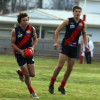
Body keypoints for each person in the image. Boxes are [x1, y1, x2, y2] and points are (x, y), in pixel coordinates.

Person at [49, 6, 89, 95]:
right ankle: (51, 84)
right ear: (73, 12)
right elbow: (57, 30)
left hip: (74, 47)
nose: (77, 13)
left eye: (79, 11)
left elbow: (84, 35)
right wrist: (55, 42)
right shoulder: (67, 21)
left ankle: (62, 86)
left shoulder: (83, 23)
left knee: (70, 68)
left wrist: (86, 45)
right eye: (76, 11)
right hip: (66, 46)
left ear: (80, 13)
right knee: (60, 66)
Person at [11, 12, 39, 98]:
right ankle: (32, 93)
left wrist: (32, 48)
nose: (25, 22)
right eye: (23, 20)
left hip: (29, 53)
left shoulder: (31, 29)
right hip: (19, 54)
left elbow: (35, 39)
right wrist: (20, 51)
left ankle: (20, 72)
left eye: (27, 20)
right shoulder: (15, 31)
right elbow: (12, 44)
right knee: (27, 75)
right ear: (20, 21)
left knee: (32, 74)